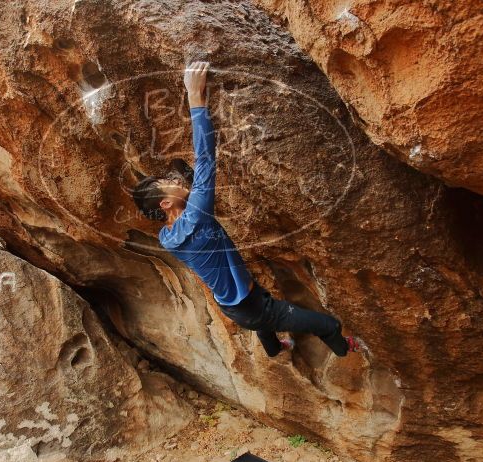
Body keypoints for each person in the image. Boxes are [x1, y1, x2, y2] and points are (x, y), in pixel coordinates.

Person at [132, 61, 359, 358]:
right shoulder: (196, 218)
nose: (175, 180)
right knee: (327, 324)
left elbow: (190, 189)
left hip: (231, 305)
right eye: (168, 183)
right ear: (165, 203)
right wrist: (195, 98)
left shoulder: (167, 236)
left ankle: (275, 349)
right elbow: (205, 159)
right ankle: (347, 348)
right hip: (253, 307)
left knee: (261, 318)